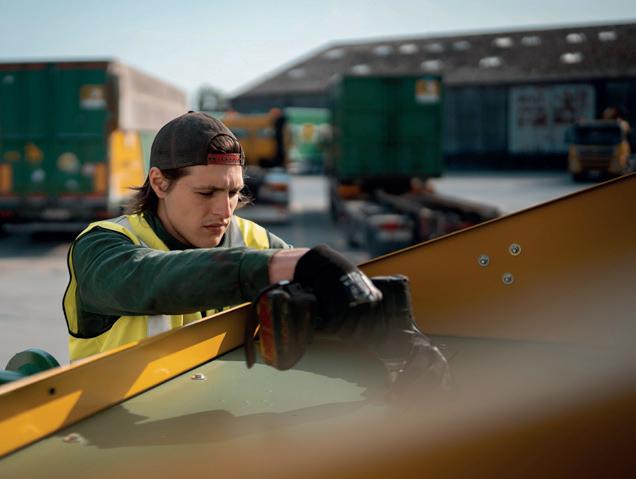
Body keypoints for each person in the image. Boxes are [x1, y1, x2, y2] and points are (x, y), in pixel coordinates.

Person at [63, 111, 380, 361]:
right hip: (119, 424)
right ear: (159, 183)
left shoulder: (253, 238)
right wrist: (285, 266)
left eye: (232, 193)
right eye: (206, 192)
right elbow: (150, 280)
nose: (224, 211)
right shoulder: (102, 245)